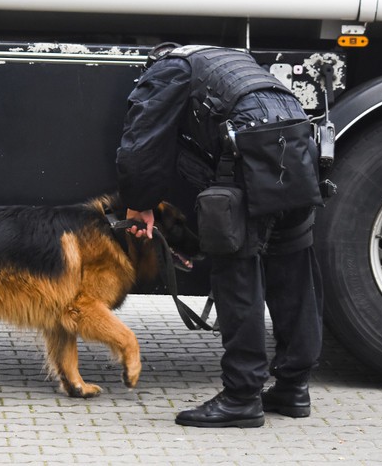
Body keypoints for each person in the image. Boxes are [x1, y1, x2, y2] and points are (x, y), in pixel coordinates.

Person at [116, 43, 324, 428]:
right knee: (292, 268)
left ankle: (242, 397)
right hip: (296, 144)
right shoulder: (228, 60)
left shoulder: (167, 70)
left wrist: (139, 202)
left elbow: (142, 139)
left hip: (248, 151)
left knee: (237, 270)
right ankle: (294, 388)